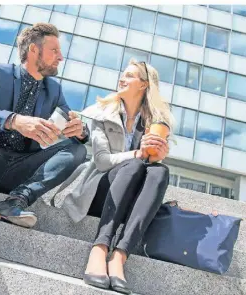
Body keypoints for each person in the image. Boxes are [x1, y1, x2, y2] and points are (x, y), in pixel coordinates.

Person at [0, 23, 88, 258]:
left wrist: (80, 129)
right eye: (54, 51)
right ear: (34, 50)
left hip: (22, 170)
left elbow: (71, 123)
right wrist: (15, 121)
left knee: (76, 150)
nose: (61, 57)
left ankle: (15, 201)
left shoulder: (54, 90)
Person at [57, 59, 173, 294]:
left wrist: (156, 156)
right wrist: (137, 153)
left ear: (143, 85)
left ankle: (120, 255)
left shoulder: (154, 123)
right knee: (132, 165)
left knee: (160, 171)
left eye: (129, 76)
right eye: (123, 74)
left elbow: (148, 170)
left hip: (128, 200)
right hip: (100, 193)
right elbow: (101, 161)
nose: (122, 78)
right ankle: (100, 247)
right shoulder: (103, 114)